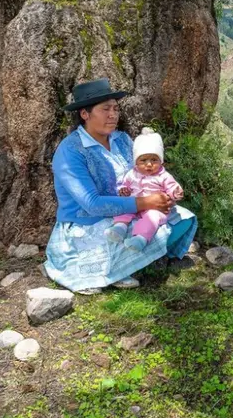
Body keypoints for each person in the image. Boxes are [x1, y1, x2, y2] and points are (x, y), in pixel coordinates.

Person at [44, 78, 197, 295]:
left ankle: (128, 262)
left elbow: (142, 174)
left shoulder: (122, 140)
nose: (113, 114)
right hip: (88, 222)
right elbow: (92, 204)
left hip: (131, 211)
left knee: (181, 217)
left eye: (116, 108)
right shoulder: (71, 151)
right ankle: (121, 266)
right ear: (85, 114)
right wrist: (146, 201)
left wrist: (162, 195)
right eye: (105, 109)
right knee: (121, 235)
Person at [105, 127, 185, 252]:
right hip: (135, 203)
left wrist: (176, 192)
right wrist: (123, 190)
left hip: (155, 207)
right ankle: (119, 228)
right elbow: (123, 184)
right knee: (123, 207)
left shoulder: (163, 176)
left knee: (152, 219)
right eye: (143, 160)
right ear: (136, 162)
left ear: (161, 161)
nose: (149, 164)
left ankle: (140, 239)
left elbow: (171, 187)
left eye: (154, 160)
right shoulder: (132, 174)